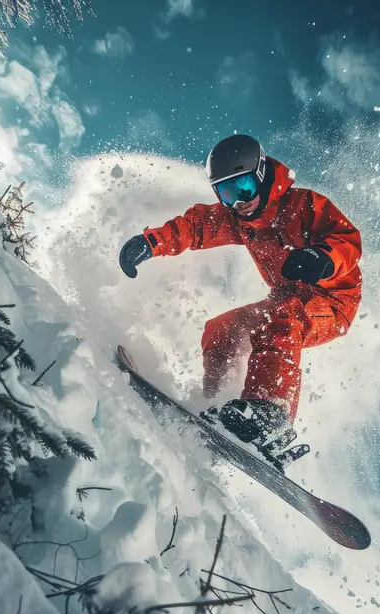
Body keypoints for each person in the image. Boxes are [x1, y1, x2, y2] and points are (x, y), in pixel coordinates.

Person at [119, 133, 362, 459]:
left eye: (245, 187)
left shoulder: (303, 205)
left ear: (262, 174)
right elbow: (195, 227)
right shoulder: (240, 219)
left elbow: (348, 239)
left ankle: (269, 416)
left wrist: (324, 259)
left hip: (332, 300)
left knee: (284, 319)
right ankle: (221, 408)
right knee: (220, 329)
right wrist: (150, 242)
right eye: (227, 192)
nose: (239, 201)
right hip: (285, 298)